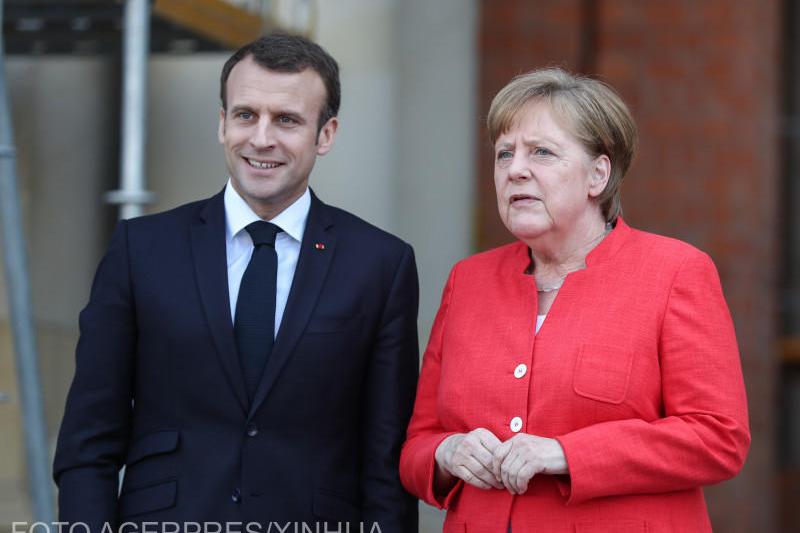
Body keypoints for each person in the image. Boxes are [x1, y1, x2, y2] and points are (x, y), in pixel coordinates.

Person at [53, 33, 419, 532]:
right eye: (246, 115)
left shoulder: (380, 263)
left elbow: (386, 460)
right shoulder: (141, 250)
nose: (262, 138)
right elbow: (88, 442)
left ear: (326, 134)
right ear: (222, 124)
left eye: (287, 120)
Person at [399, 68, 750, 532]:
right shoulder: (469, 280)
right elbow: (417, 445)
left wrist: (565, 453)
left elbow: (718, 438)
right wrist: (447, 453)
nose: (515, 169)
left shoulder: (674, 272)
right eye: (505, 154)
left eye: (541, 152)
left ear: (598, 175)